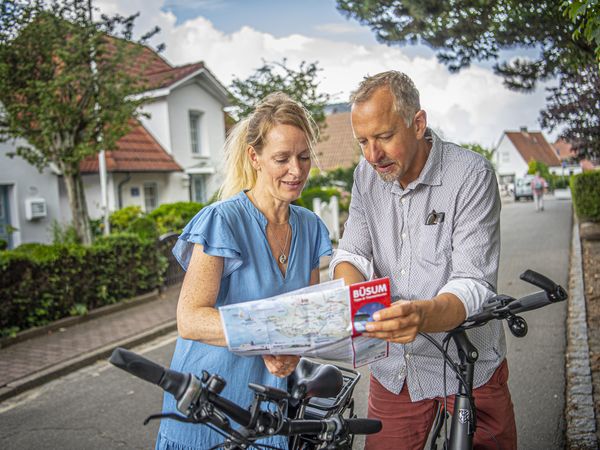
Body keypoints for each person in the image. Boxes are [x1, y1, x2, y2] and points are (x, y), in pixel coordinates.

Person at [329, 71, 516, 449]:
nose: (372, 155)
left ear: (418, 124)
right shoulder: (365, 175)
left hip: (469, 365)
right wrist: (354, 299)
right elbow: (352, 252)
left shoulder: (471, 174)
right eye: (362, 141)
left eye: (383, 137)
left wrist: (422, 316)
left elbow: (473, 281)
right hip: (395, 368)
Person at [156, 92, 332, 450]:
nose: (296, 170)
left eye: (303, 157)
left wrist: (293, 352)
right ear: (255, 157)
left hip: (267, 409)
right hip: (210, 404)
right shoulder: (222, 220)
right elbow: (190, 319)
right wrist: (267, 335)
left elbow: (305, 320)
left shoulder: (312, 228)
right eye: (281, 159)